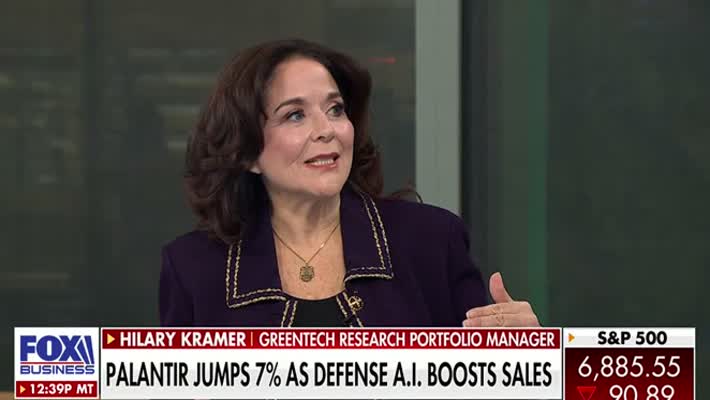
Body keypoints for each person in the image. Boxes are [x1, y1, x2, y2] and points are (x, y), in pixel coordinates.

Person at [160, 39, 540, 328]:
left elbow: (490, 382)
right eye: (295, 115)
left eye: (335, 109)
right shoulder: (194, 268)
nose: (326, 130)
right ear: (247, 153)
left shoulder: (431, 241)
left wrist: (534, 361)